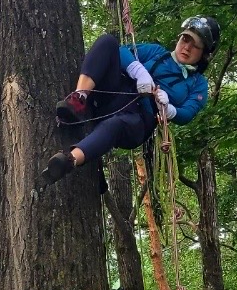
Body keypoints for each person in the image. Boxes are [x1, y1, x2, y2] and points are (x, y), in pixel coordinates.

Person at [42, 16, 220, 184]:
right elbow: (121, 52)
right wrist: (138, 71)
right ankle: (78, 99)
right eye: (185, 39)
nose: (186, 47)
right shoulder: (157, 53)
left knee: (115, 125)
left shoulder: (198, 84)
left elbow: (187, 113)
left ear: (204, 54)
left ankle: (69, 160)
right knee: (107, 42)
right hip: (116, 96)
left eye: (194, 45)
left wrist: (169, 109)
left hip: (139, 121)